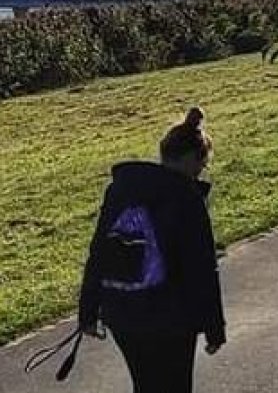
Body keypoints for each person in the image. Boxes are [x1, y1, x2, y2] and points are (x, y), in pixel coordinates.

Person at [77, 107, 226, 393]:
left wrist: (88, 311)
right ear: (192, 159)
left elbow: (99, 251)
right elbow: (202, 268)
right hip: (172, 316)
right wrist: (214, 327)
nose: (200, 173)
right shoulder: (186, 197)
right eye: (202, 165)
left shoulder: (121, 189)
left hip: (123, 311)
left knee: (145, 385)